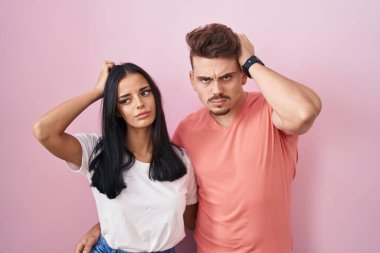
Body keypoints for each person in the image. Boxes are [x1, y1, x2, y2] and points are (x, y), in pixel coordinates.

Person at [76, 23, 322, 253]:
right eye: (205, 79)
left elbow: (304, 113)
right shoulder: (187, 131)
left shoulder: (271, 112)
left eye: (226, 77)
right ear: (192, 80)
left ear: (243, 76)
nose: (216, 90)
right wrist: (103, 226)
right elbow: (153, 189)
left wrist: (251, 61)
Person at [32, 62, 198, 253]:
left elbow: (190, 220)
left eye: (145, 92)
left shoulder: (181, 159)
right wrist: (97, 92)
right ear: (116, 109)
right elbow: (43, 131)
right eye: (125, 100)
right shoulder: (96, 152)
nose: (139, 103)